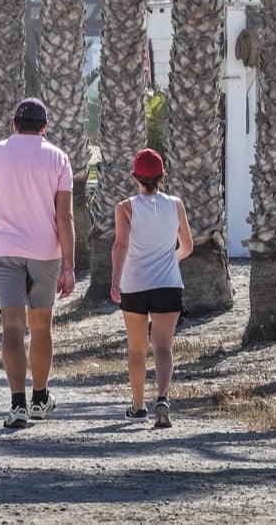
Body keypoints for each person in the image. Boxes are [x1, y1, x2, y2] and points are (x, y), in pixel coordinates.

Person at [0, 97, 76, 429]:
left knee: (12, 326)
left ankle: (17, 405)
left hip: (3, 251)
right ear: (44, 127)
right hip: (46, 252)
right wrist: (70, 265)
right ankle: (40, 398)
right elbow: (65, 216)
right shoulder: (58, 158)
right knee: (41, 325)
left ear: (14, 124)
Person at [109, 148, 194, 429]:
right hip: (168, 284)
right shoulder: (176, 205)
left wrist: (115, 280)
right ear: (162, 176)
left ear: (136, 177)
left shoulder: (125, 207)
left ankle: (137, 406)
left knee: (137, 349)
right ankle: (162, 399)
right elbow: (188, 246)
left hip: (134, 285)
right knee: (163, 345)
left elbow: (121, 245)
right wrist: (172, 259)